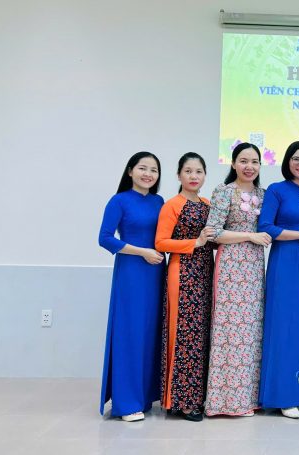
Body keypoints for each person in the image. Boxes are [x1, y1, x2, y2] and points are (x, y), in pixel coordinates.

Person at [98, 151, 165, 422]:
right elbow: (105, 238)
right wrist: (141, 252)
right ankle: (126, 403)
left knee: (150, 333)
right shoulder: (119, 201)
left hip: (157, 271)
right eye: (142, 168)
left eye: (154, 170)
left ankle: (145, 397)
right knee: (130, 332)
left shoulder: (159, 201)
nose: (148, 174)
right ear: (130, 171)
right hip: (131, 273)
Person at [258, 140, 299, 419]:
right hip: (283, 264)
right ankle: (281, 396)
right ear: (287, 161)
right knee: (282, 325)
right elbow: (266, 227)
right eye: (296, 158)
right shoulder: (276, 190)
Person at [204, 143, 270, 417]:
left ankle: (249, 398)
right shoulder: (224, 191)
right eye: (243, 161)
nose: (249, 166)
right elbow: (213, 232)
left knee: (252, 332)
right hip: (231, 265)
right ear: (233, 164)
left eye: (254, 161)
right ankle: (225, 401)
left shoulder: (263, 194)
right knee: (229, 331)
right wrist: (249, 236)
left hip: (254, 267)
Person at [154, 152, 214, 422]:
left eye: (198, 171)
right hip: (183, 273)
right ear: (179, 175)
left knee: (200, 336)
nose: (193, 176)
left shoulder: (208, 204)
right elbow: (161, 243)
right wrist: (196, 242)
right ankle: (180, 401)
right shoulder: (172, 205)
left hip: (206, 273)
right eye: (188, 171)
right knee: (183, 335)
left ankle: (197, 397)